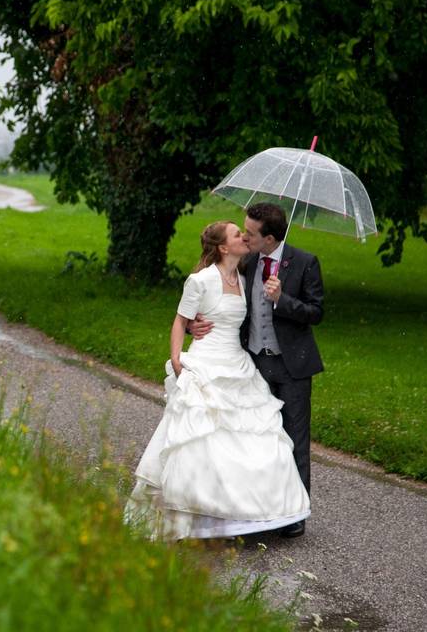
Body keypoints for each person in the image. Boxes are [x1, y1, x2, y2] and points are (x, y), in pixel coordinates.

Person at [124, 221, 310, 541]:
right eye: (238, 235)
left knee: (251, 437)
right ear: (224, 247)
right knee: (200, 439)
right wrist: (178, 359)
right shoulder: (200, 280)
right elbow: (180, 321)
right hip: (206, 362)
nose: (245, 237)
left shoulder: (244, 274)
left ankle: (247, 513)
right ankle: (192, 513)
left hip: (237, 363)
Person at [190, 202, 324, 538]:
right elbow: (221, 301)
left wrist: (283, 300)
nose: (245, 237)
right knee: (259, 438)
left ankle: (295, 513)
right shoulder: (246, 262)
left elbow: (316, 312)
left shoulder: (305, 262)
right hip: (255, 363)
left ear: (270, 238)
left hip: (293, 366)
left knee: (295, 438)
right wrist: (196, 325)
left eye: (250, 233)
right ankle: (257, 508)